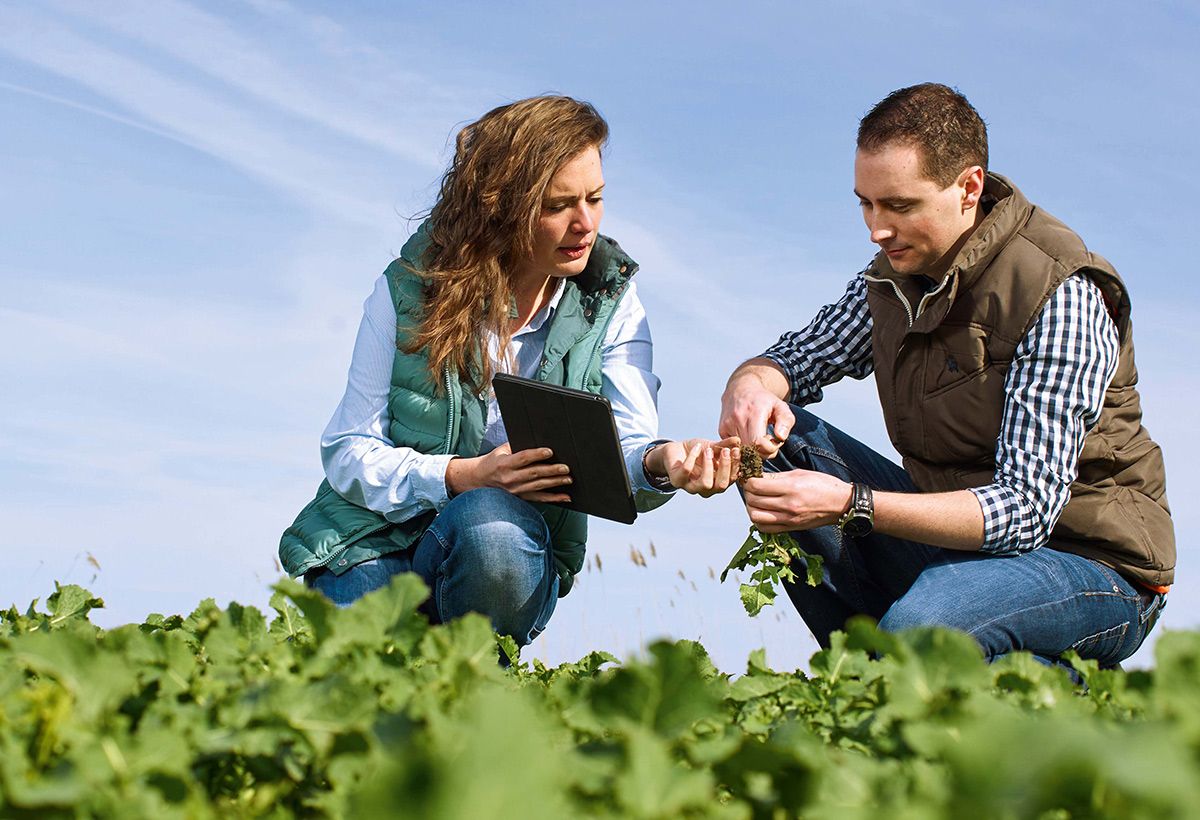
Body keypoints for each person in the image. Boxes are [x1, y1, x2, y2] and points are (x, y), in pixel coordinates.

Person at [719, 83, 1173, 668]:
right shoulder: (892, 278)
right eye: (866, 203)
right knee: (783, 440)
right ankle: (869, 677)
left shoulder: (1060, 294)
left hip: (1090, 566)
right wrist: (750, 387)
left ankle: (960, 675)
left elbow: (1028, 510)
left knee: (926, 626)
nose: (876, 230)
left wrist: (852, 503)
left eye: (900, 207)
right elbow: (799, 357)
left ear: (969, 188)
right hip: (957, 548)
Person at [280, 95, 738, 648]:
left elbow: (624, 446)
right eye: (558, 205)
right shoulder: (407, 289)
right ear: (501, 206)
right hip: (370, 538)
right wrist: (461, 475)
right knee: (360, 687)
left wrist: (663, 462)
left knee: (492, 525)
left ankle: (479, 687)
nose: (585, 223)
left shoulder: (612, 304)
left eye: (595, 198)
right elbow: (349, 448)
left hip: (496, 540)